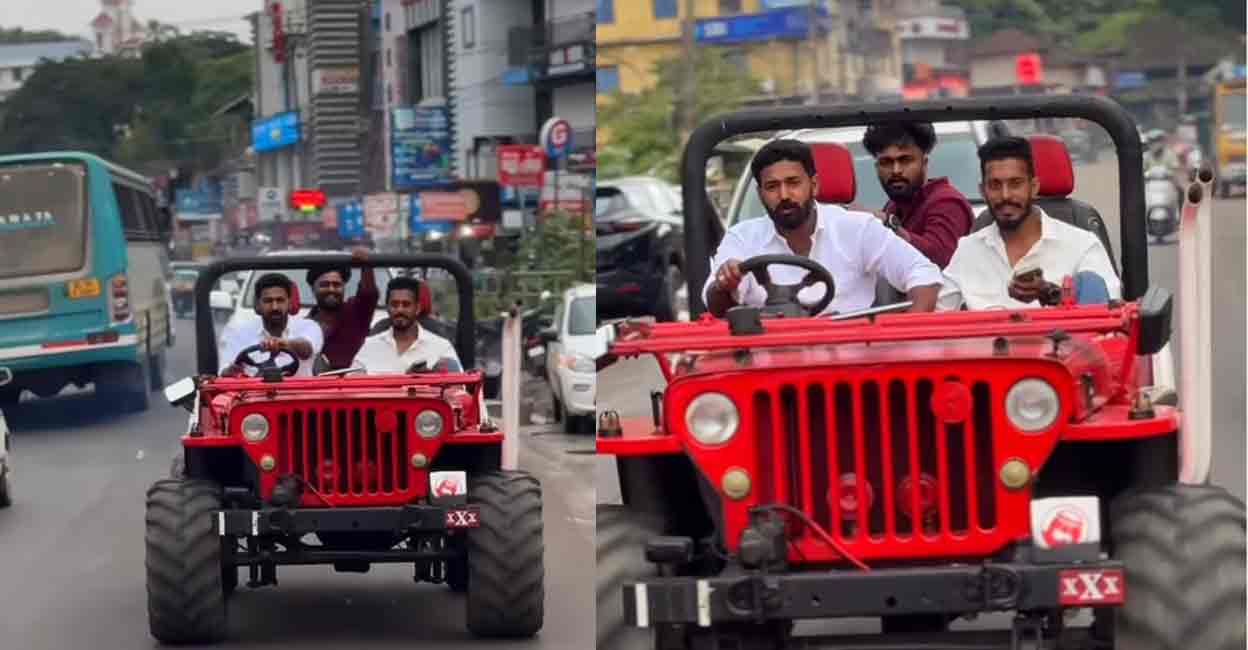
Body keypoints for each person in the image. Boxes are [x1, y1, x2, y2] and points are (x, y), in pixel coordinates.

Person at [703, 139, 943, 317]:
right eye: (772, 186)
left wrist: (904, 339)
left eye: (793, 183)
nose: (784, 195)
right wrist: (726, 284)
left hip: (852, 362)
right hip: (769, 361)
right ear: (760, 193)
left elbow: (923, 273)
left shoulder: (858, 228)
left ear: (814, 185)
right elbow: (714, 304)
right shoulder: (742, 238)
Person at [938, 136, 1120, 311]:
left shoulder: (1082, 246)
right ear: (983, 191)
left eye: (1015, 184)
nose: (1005, 195)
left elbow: (1108, 315)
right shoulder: (967, 251)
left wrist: (1052, 293)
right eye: (995, 185)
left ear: (1033, 187)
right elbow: (935, 318)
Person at [857, 122, 974, 268]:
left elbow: (940, 260)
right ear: (876, 167)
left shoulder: (947, 202)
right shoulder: (893, 206)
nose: (896, 170)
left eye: (905, 160)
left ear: (924, 162)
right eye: (886, 162)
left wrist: (888, 223)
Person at [219, 273, 323, 377]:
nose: (274, 307)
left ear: (289, 303)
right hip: (252, 392)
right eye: (268, 301)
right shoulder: (237, 332)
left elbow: (306, 349)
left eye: (280, 300)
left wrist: (282, 344)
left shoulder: (309, 326)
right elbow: (224, 372)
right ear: (257, 304)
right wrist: (234, 370)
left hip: (300, 392)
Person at [353, 276, 460, 373]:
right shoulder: (369, 347)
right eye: (394, 304)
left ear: (417, 308)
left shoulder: (441, 348)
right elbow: (350, 387)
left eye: (406, 304)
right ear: (387, 308)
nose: (400, 310)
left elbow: (459, 388)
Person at [306, 247, 379, 370]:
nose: (331, 289)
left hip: (354, 385)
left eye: (337, 285)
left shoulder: (356, 312)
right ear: (313, 289)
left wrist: (366, 265)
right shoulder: (306, 324)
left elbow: (369, 293)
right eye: (324, 285)